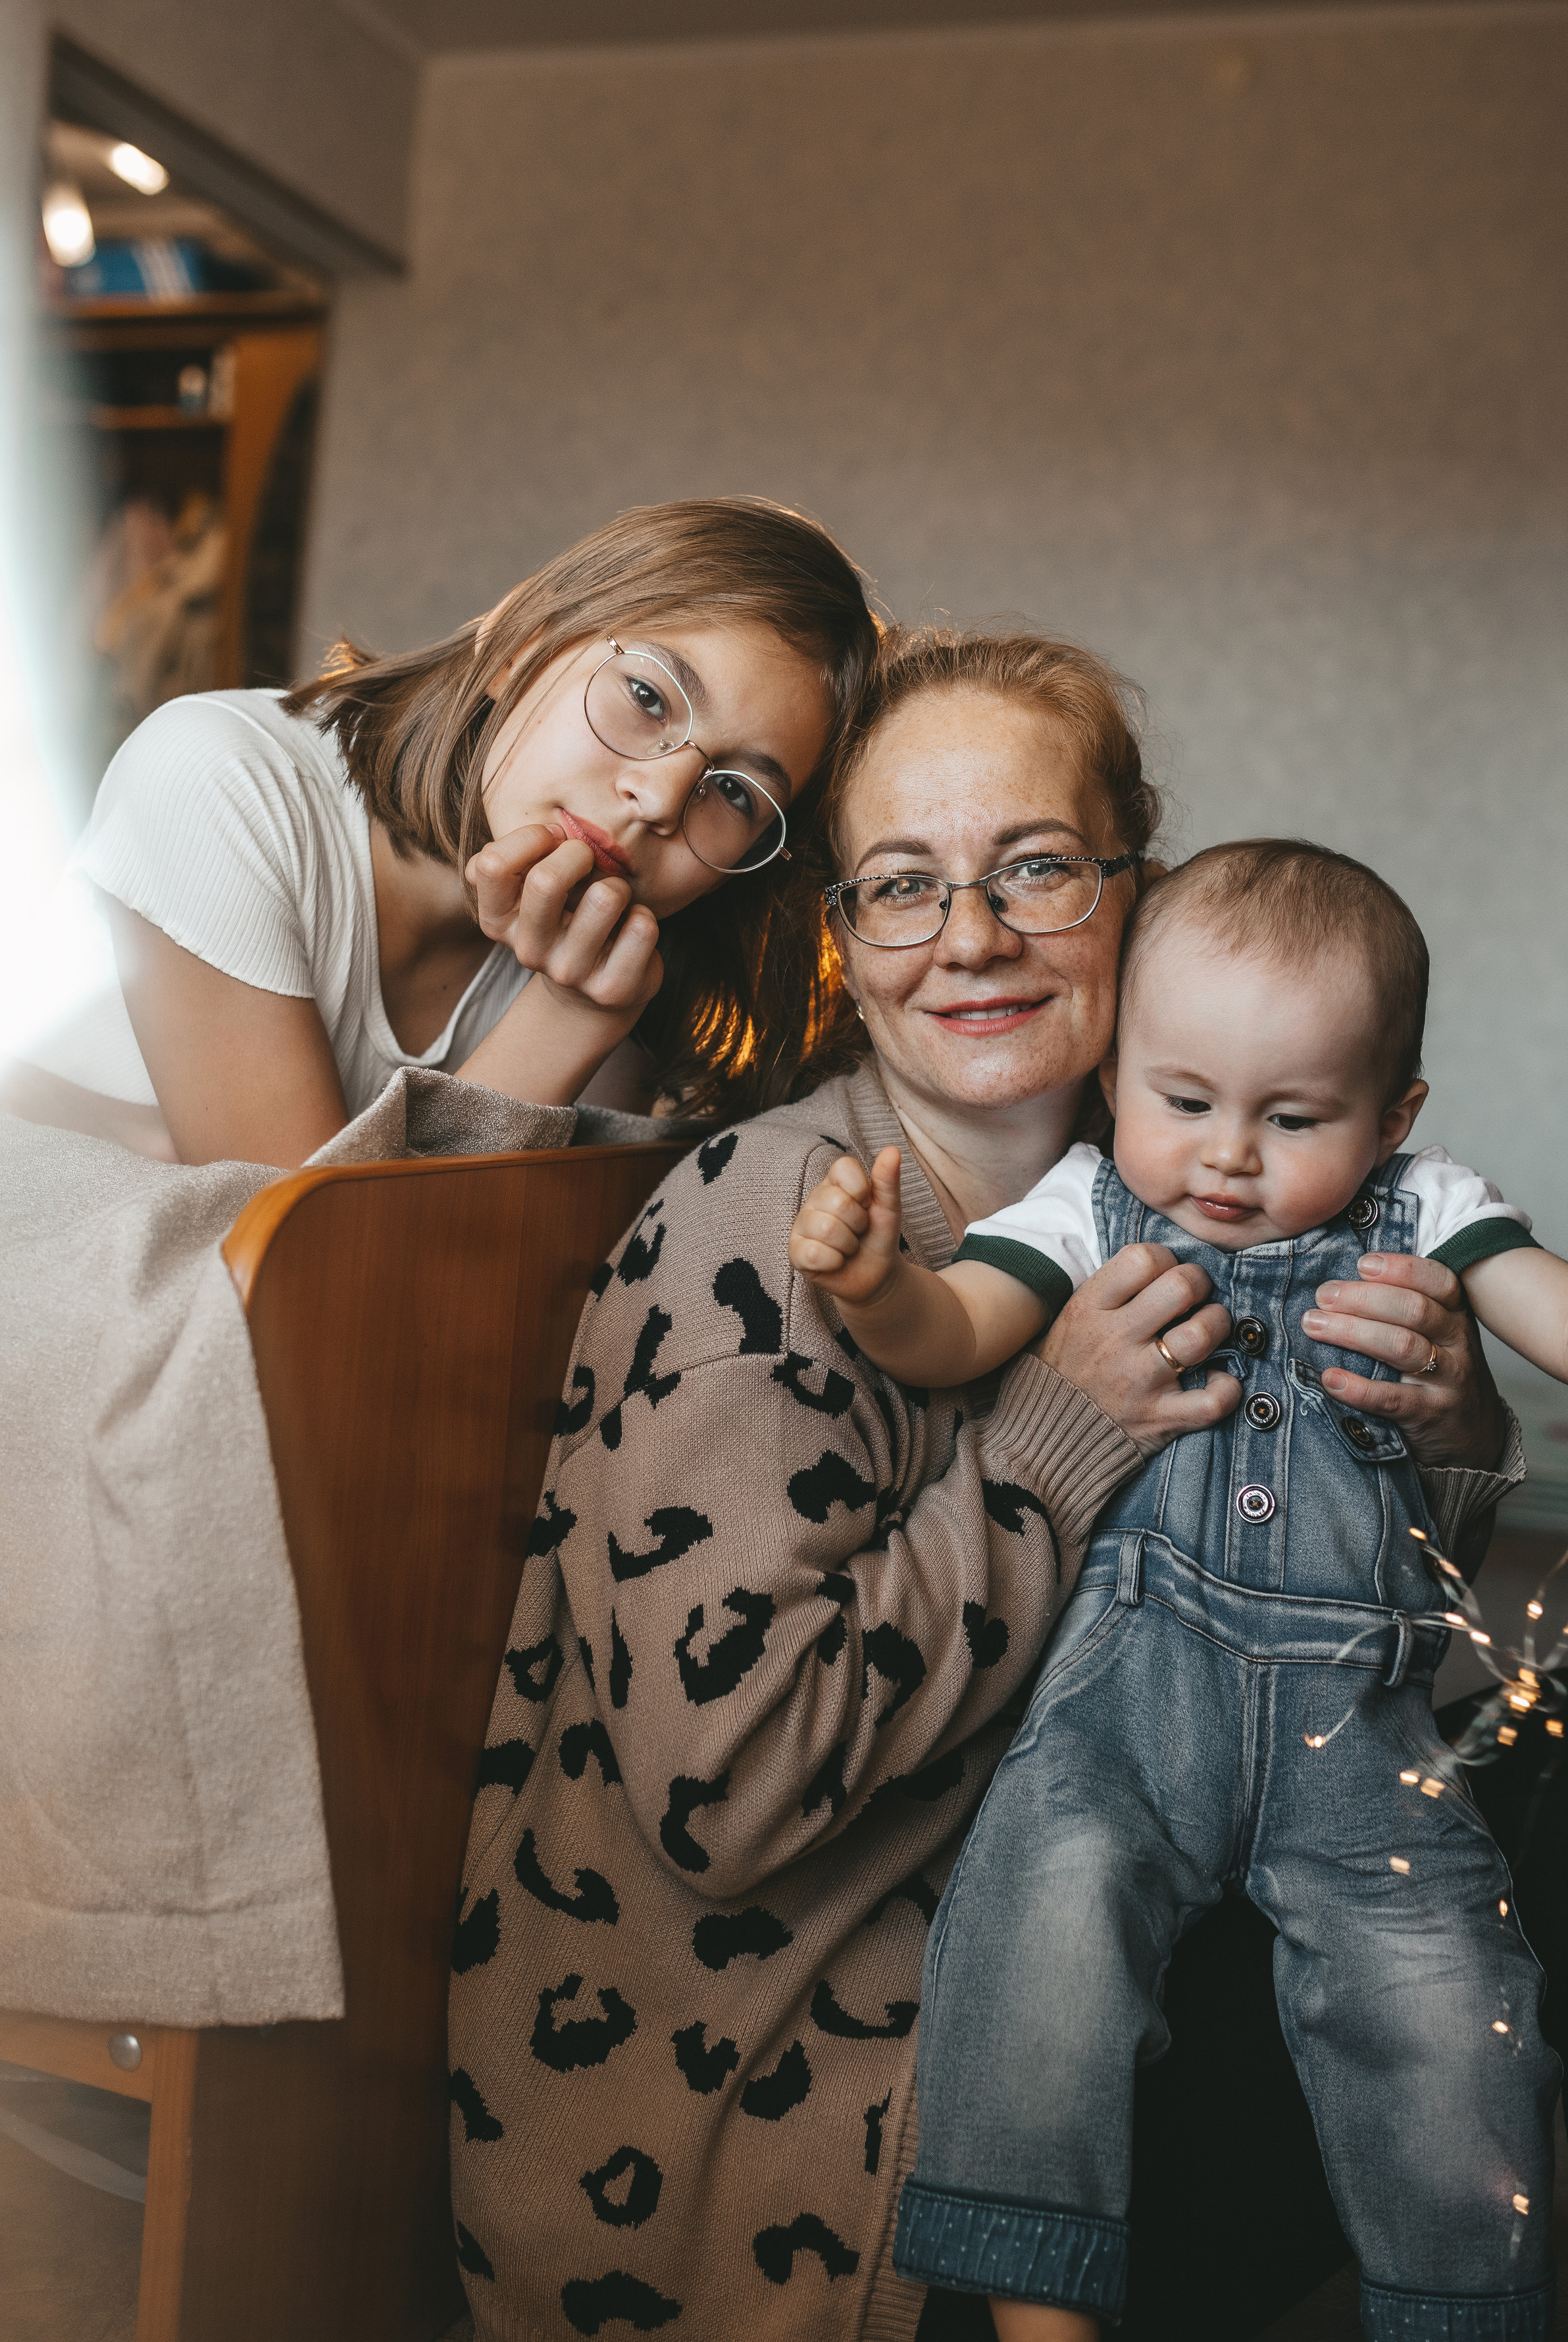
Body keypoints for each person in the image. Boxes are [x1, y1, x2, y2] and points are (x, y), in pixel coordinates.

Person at [445, 636, 1521, 2341]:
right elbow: (725, 1793)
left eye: (1034, 868)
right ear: (844, 945)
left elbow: (1320, 1664)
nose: (971, 937)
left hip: (1089, 1963)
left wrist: (1441, 1433)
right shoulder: (766, 1226)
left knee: (1484, 1813)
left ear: (1136, 894)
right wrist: (1053, 1433)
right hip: (802, 2103)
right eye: (902, 887)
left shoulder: (1213, 1189)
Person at [793, 838, 1566, 2339]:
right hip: (1124, 1699)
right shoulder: (1090, 1207)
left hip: (1359, 1723)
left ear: (1391, 1115)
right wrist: (870, 1281)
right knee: (1040, 1927)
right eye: (1183, 1100)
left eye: (1291, 1118)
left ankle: (1456, 2305)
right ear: (1114, 1080)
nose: (1223, 1157)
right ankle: (1037, 2308)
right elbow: (951, 1333)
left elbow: (1534, 1298)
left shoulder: (1423, 1208)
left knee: (1445, 1997)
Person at [0, 497, 878, 1164]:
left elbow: (467, 1296)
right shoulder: (216, 777)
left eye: (735, 793)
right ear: (520, 643)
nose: (658, 799)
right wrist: (560, 1022)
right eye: (647, 696)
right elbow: (305, 1288)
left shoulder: (629, 971)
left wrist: (583, 1017)